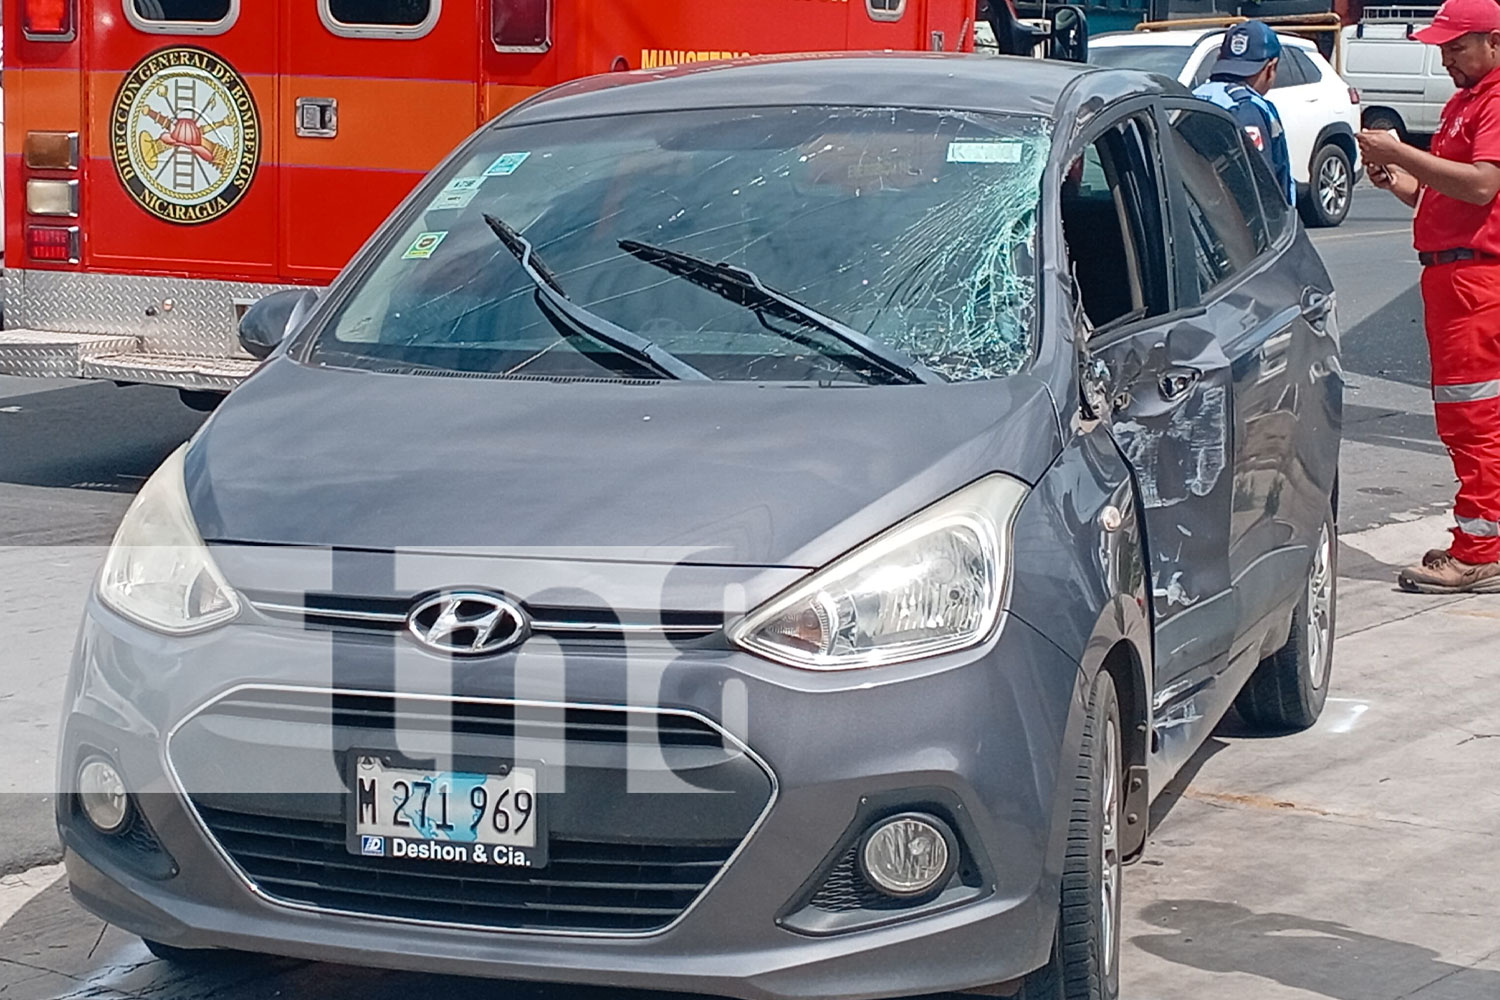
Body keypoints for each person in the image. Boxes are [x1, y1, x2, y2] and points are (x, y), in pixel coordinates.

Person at [1357, 0, 1500, 594]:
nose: (1445, 59)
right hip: (1455, 274)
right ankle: (1481, 540)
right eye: (1442, 48)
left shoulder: (1492, 99)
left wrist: (1399, 153)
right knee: (1472, 415)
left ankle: (1480, 551)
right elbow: (1444, 196)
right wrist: (1399, 180)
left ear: (1494, 42)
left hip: (1474, 281)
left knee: (1473, 416)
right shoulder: (1465, 102)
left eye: (1456, 47)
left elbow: (1484, 183)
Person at [1193, 21, 1296, 206]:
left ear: (1219, 59)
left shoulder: (1193, 96)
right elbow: (1260, 186)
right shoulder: (1247, 108)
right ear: (1271, 67)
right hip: (1241, 229)